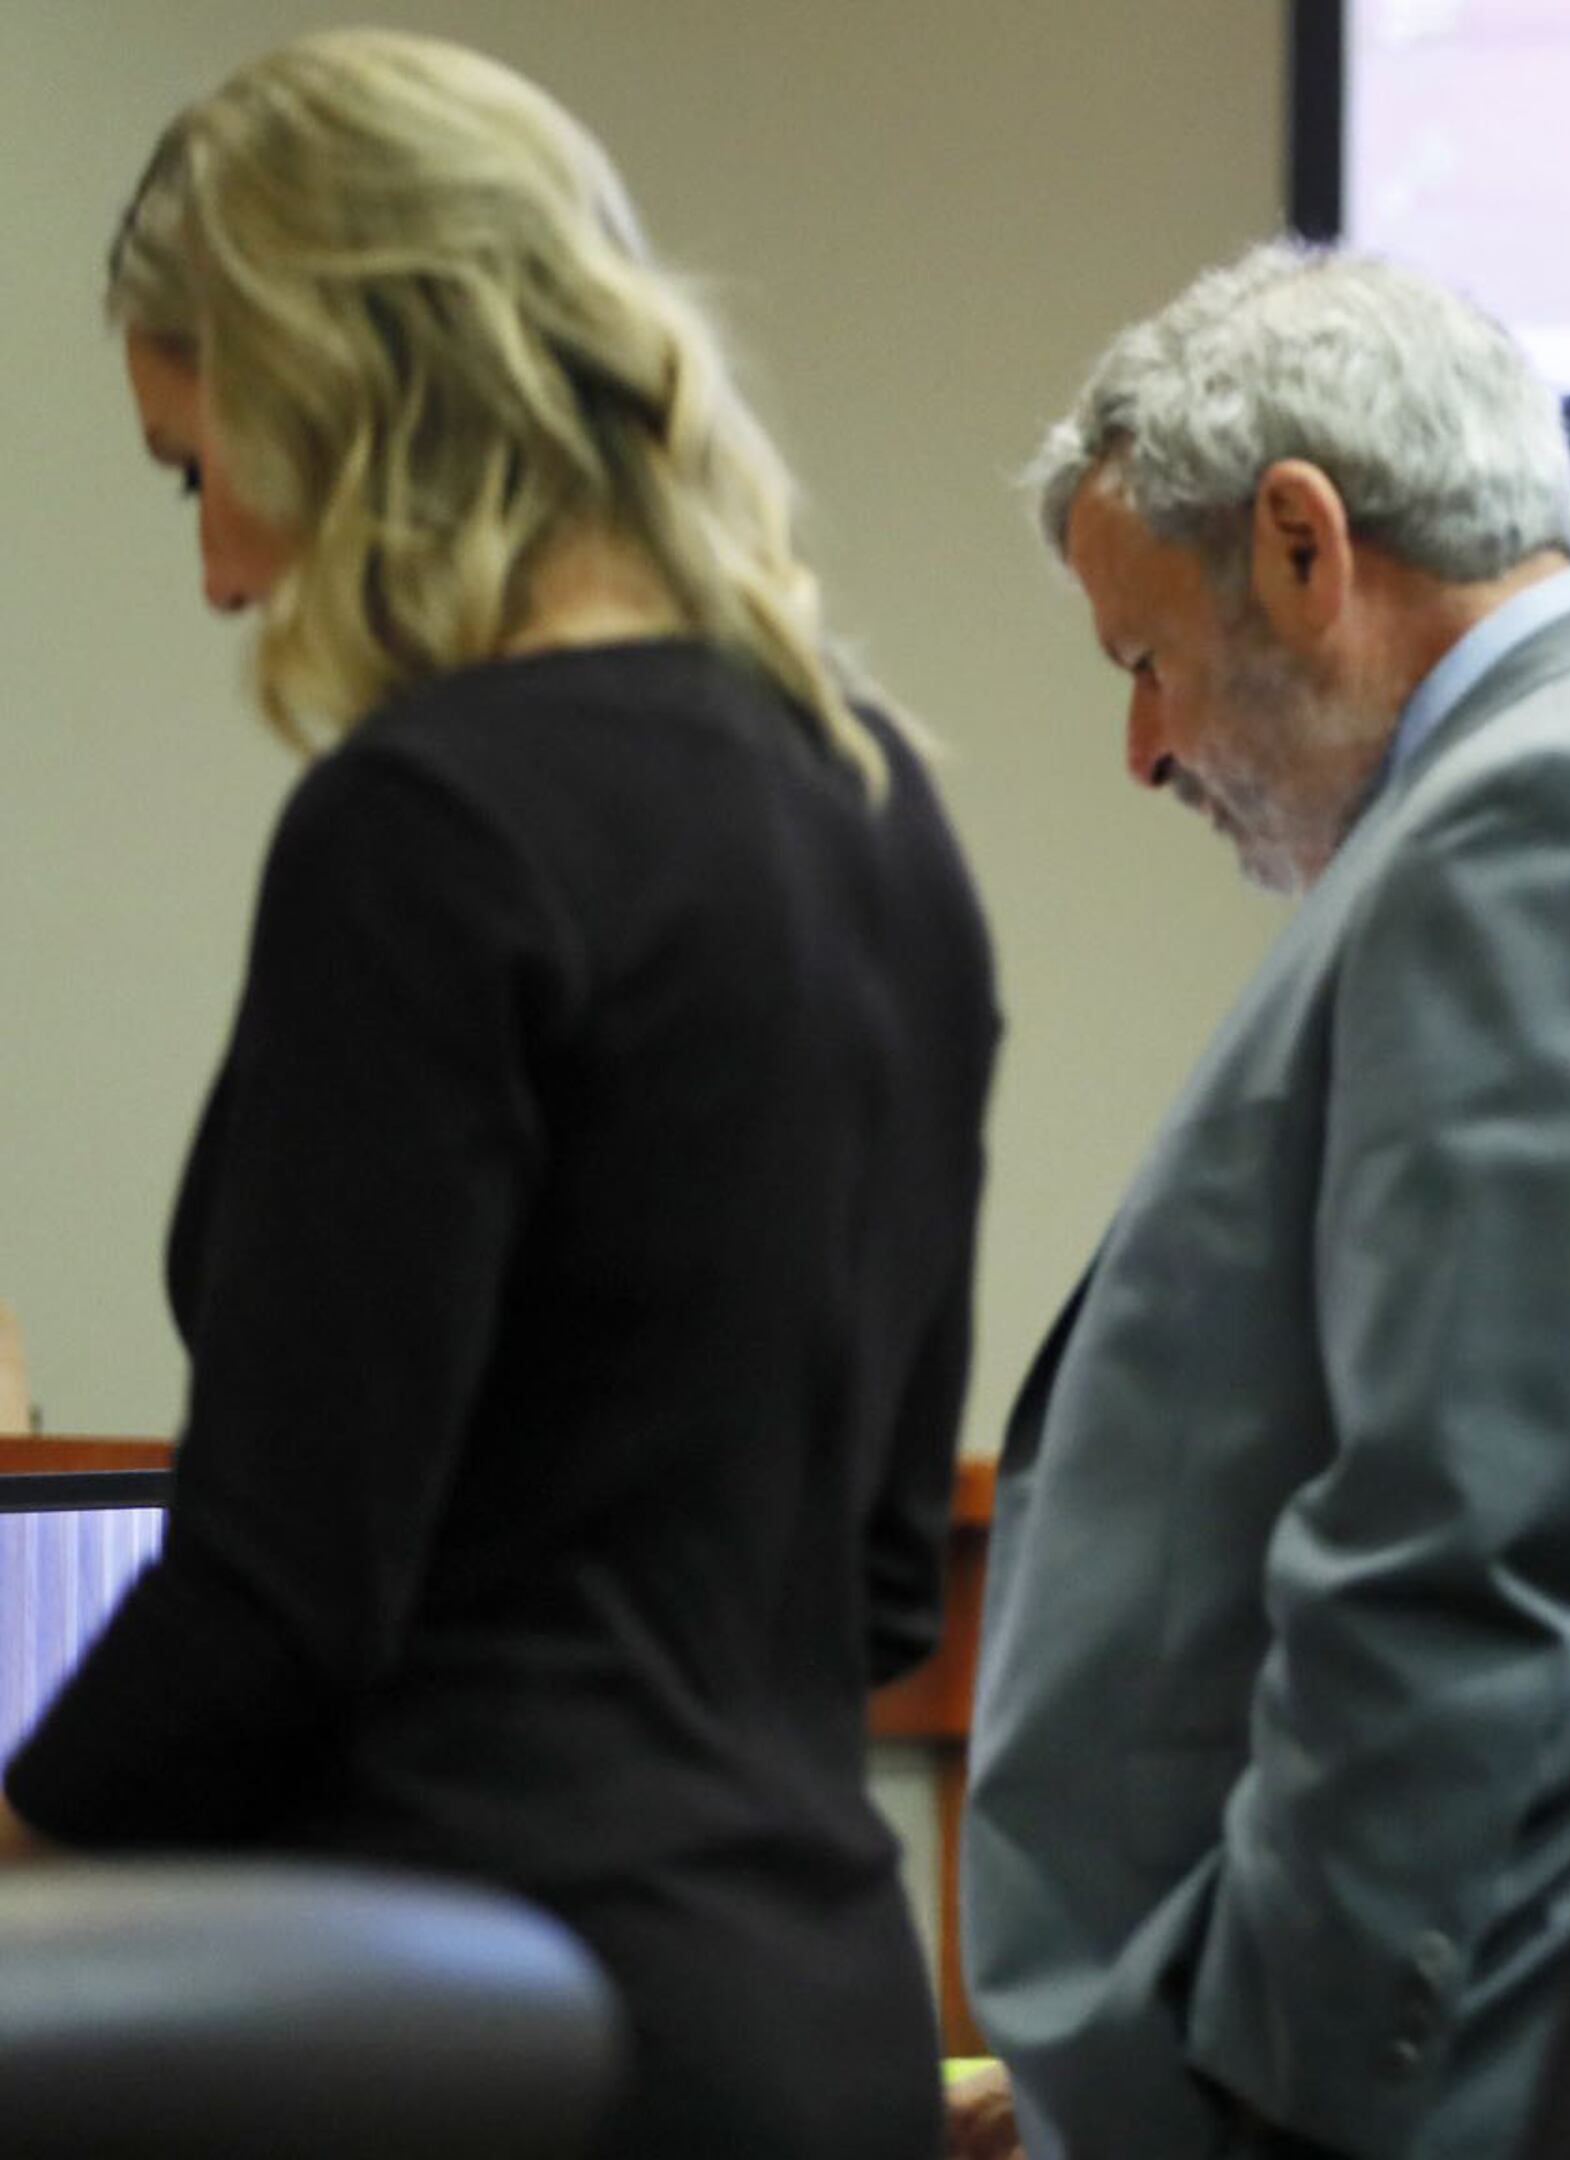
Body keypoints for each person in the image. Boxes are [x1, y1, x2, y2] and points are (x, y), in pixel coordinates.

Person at [0, 31, 998, 2160]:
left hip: (483, 2047)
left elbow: (273, 1605)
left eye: (201, 473)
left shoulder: (428, 828)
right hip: (814, 2028)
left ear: (334, 384)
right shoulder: (882, 802)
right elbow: (888, 1584)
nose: (218, 576)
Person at [960, 244, 1570, 2160]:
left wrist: (1267, 2074)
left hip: (1466, 2070)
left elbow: (1455, 1542)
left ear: (1305, 547)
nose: (1144, 747)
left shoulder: (1544, 818)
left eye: (1145, 660)